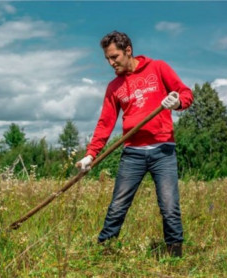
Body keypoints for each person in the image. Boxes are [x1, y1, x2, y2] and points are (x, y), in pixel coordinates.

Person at [76, 31, 193, 257]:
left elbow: (186, 94)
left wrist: (177, 101)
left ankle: (175, 255)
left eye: (114, 57)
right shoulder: (114, 87)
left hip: (163, 151)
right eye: (107, 59)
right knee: (117, 206)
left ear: (128, 50)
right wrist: (91, 154)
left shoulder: (158, 68)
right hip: (133, 154)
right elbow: (105, 123)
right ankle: (104, 251)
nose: (111, 63)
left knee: (169, 207)